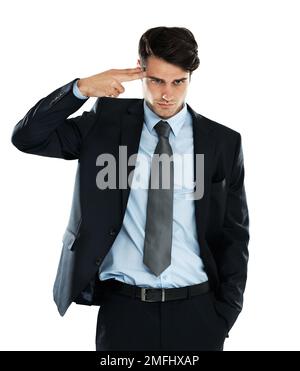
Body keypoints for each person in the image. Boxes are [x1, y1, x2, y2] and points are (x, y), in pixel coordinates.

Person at [11, 26, 250, 351]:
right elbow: (27, 138)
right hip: (124, 312)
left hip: (198, 313)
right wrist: (79, 90)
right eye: (156, 81)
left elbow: (234, 234)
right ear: (140, 70)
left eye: (178, 82)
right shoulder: (105, 124)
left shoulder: (222, 142)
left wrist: (225, 315)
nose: (167, 94)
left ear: (191, 76)